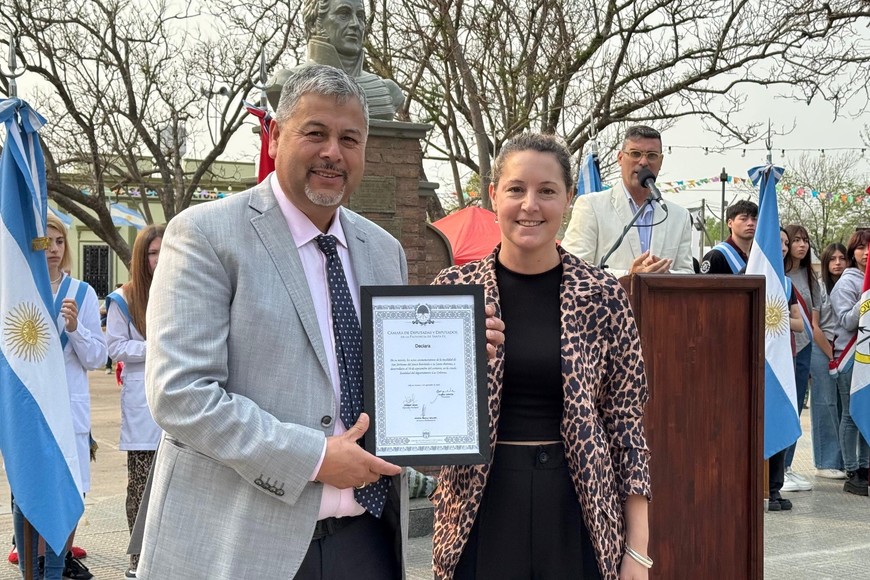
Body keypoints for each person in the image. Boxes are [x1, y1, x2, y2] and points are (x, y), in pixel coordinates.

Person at [135, 64, 503, 580]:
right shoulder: (205, 235)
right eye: (315, 133)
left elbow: (389, 384)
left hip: (368, 543)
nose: (333, 152)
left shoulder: (384, 251)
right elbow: (181, 394)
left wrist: (454, 357)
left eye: (349, 139)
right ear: (276, 136)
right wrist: (313, 458)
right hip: (243, 547)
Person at [431, 133, 652, 580]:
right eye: (516, 189)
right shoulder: (454, 292)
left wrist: (638, 550)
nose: (530, 205)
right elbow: (425, 411)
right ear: (494, 195)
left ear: (568, 198)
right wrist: (457, 366)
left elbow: (626, 423)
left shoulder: (603, 295)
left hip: (578, 503)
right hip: (479, 504)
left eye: (547, 191)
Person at [11, 214, 106, 580]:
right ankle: (33, 567)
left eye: (60, 241)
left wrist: (75, 328)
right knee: (32, 493)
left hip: (69, 412)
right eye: (45, 241)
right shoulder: (19, 291)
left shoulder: (82, 293)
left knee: (69, 493)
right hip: (32, 412)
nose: (52, 249)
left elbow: (97, 358)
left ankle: (59, 563)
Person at [105, 224, 165, 579]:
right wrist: (157, 348)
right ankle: (138, 562)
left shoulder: (182, 289)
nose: (159, 259)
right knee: (141, 489)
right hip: (142, 402)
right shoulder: (123, 299)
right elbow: (115, 347)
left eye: (164, 250)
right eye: (153, 253)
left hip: (180, 404)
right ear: (142, 257)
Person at [561, 125, 693, 276]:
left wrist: (665, 276)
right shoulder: (591, 206)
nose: (643, 162)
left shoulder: (679, 216)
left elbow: (687, 274)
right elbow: (573, 268)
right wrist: (629, 275)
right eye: (635, 154)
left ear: (661, 161)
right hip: (609, 292)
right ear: (620, 158)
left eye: (652, 155)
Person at [266, 0, 404, 119]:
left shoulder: (388, 90)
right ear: (314, 24)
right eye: (343, 14)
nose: (356, 24)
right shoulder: (286, 82)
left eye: (360, 16)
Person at [829, 229, 870, 496]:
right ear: (853, 253)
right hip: (850, 355)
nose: (867, 253)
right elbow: (846, 321)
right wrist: (866, 297)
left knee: (867, 411)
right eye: (861, 248)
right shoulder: (846, 283)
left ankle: (865, 467)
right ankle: (852, 470)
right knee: (851, 414)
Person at [780, 224, 818, 492]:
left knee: (796, 406)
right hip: (782, 347)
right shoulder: (779, 274)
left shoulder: (809, 276)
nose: (800, 245)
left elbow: (813, 317)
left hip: (803, 347)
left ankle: (788, 465)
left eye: (805, 240)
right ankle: (777, 468)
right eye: (796, 240)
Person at [809, 242, 848, 479]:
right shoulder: (819, 286)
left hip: (846, 350)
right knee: (825, 404)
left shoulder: (852, 284)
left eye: (842, 258)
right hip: (822, 346)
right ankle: (826, 462)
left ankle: (846, 460)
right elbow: (814, 325)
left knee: (845, 406)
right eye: (832, 259)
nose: (837, 263)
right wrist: (830, 355)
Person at [699, 200, 757, 274]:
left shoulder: (759, 254)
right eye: (743, 219)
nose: (751, 223)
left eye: (754, 219)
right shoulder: (716, 256)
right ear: (730, 223)